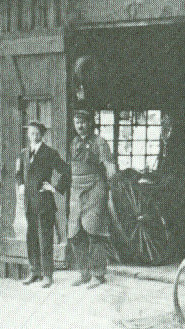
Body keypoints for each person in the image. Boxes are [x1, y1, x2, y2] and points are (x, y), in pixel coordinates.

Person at [67, 108, 116, 287]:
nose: (81, 126)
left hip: (95, 188)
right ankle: (84, 271)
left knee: (94, 232)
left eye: (84, 122)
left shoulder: (99, 142)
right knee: (74, 233)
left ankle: (98, 274)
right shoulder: (73, 142)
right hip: (76, 189)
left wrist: (111, 185)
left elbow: (109, 165)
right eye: (77, 122)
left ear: (90, 124)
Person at [18, 121, 69, 288]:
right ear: (28, 134)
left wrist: (54, 188)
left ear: (42, 134)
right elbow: (19, 173)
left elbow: (66, 171)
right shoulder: (24, 153)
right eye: (31, 132)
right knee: (31, 238)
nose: (34, 135)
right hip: (29, 203)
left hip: (44, 203)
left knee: (45, 238)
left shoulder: (49, 153)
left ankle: (48, 274)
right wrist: (21, 185)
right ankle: (35, 271)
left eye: (37, 132)